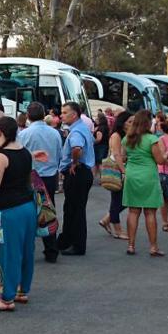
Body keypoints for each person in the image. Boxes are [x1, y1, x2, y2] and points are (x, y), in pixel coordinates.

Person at [0, 117, 37, 311]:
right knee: (26, 250)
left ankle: (6, 297)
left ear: (0, 132)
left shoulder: (0, 157)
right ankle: (22, 289)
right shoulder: (25, 153)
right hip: (27, 208)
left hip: (5, 211)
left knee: (6, 252)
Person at [18, 101, 64, 263]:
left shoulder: (24, 134)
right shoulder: (54, 133)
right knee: (48, 212)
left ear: (28, 116)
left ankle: (27, 249)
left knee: (29, 213)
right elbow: (59, 154)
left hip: (31, 177)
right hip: (50, 176)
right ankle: (51, 249)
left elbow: (20, 156)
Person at [121, 110, 166, 257]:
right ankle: (153, 247)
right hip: (148, 176)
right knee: (150, 212)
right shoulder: (151, 139)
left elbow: (123, 157)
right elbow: (159, 160)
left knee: (133, 212)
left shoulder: (127, 139)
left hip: (132, 175)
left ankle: (131, 245)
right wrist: (165, 155)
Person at [57, 102, 95, 256]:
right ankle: (67, 240)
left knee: (75, 209)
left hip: (77, 173)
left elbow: (77, 148)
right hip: (82, 172)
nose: (61, 115)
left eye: (65, 113)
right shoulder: (82, 128)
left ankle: (77, 244)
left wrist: (74, 163)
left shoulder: (77, 131)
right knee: (72, 208)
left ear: (74, 115)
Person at [98, 111, 133, 240]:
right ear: (122, 123)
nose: (132, 124)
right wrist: (123, 170)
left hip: (123, 168)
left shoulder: (126, 135)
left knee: (124, 199)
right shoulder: (116, 135)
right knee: (117, 200)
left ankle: (107, 219)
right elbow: (117, 155)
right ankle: (117, 229)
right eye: (129, 121)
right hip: (117, 170)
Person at [93, 113, 110, 179]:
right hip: (105, 145)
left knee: (99, 162)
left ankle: (101, 178)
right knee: (100, 162)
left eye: (97, 119)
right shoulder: (106, 127)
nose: (95, 120)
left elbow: (99, 139)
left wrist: (93, 142)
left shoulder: (100, 128)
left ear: (100, 120)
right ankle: (101, 177)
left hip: (99, 146)